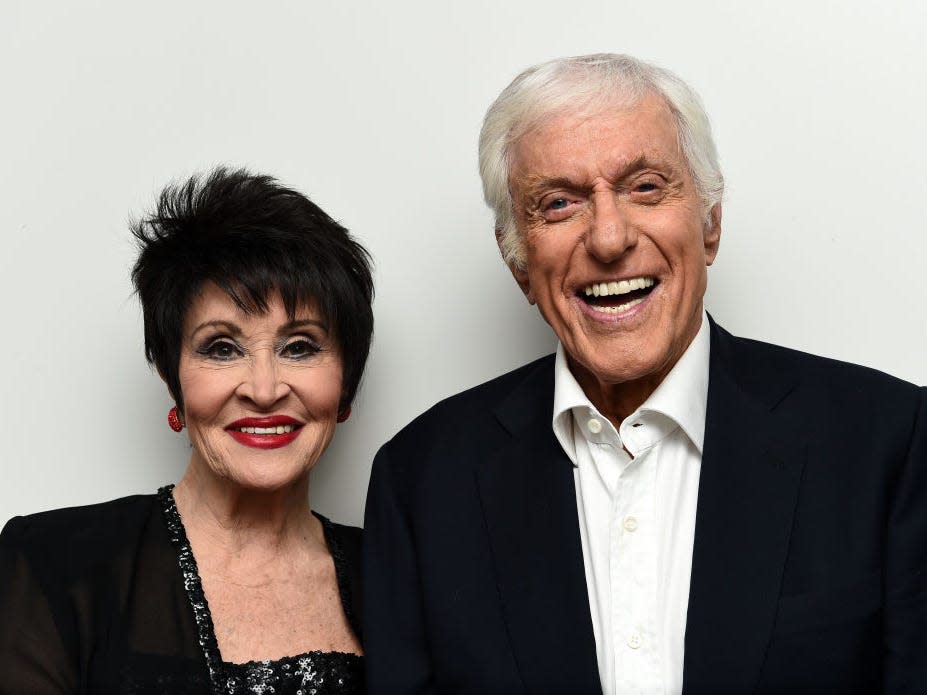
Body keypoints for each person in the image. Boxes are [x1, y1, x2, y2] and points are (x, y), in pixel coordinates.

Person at [363, 54, 927, 694]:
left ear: (710, 223)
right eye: (558, 203)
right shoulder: (423, 480)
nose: (608, 238)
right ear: (518, 261)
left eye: (646, 188)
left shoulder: (889, 445)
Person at [0, 168, 374, 694]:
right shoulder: (52, 566)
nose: (264, 390)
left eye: (301, 347)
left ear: (345, 382)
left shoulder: (399, 576)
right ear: (171, 377)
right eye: (222, 348)